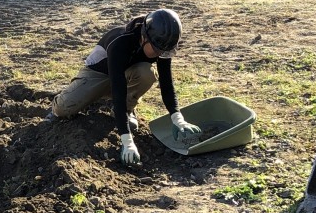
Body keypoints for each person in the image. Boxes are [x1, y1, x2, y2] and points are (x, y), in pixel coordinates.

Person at [47, 9, 201, 165]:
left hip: (127, 74)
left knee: (146, 73)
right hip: (98, 74)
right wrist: (127, 141)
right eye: (157, 50)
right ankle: (59, 102)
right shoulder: (120, 42)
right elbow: (118, 89)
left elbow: (167, 83)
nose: (160, 54)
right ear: (145, 37)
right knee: (64, 109)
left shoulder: (161, 46)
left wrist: (177, 118)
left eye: (164, 51)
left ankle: (128, 110)